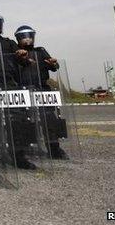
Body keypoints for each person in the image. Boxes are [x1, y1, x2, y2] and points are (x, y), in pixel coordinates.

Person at [0, 13, 36, 170]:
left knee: (16, 121)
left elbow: (21, 61)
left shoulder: (9, 43)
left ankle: (19, 156)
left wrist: (23, 56)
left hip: (9, 84)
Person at [15, 25, 68, 160]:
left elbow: (54, 67)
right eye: (24, 37)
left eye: (29, 36)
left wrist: (53, 64)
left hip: (42, 88)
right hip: (23, 90)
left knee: (49, 118)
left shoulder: (40, 51)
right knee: (26, 120)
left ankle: (54, 148)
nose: (27, 40)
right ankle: (26, 148)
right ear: (19, 39)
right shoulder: (15, 52)